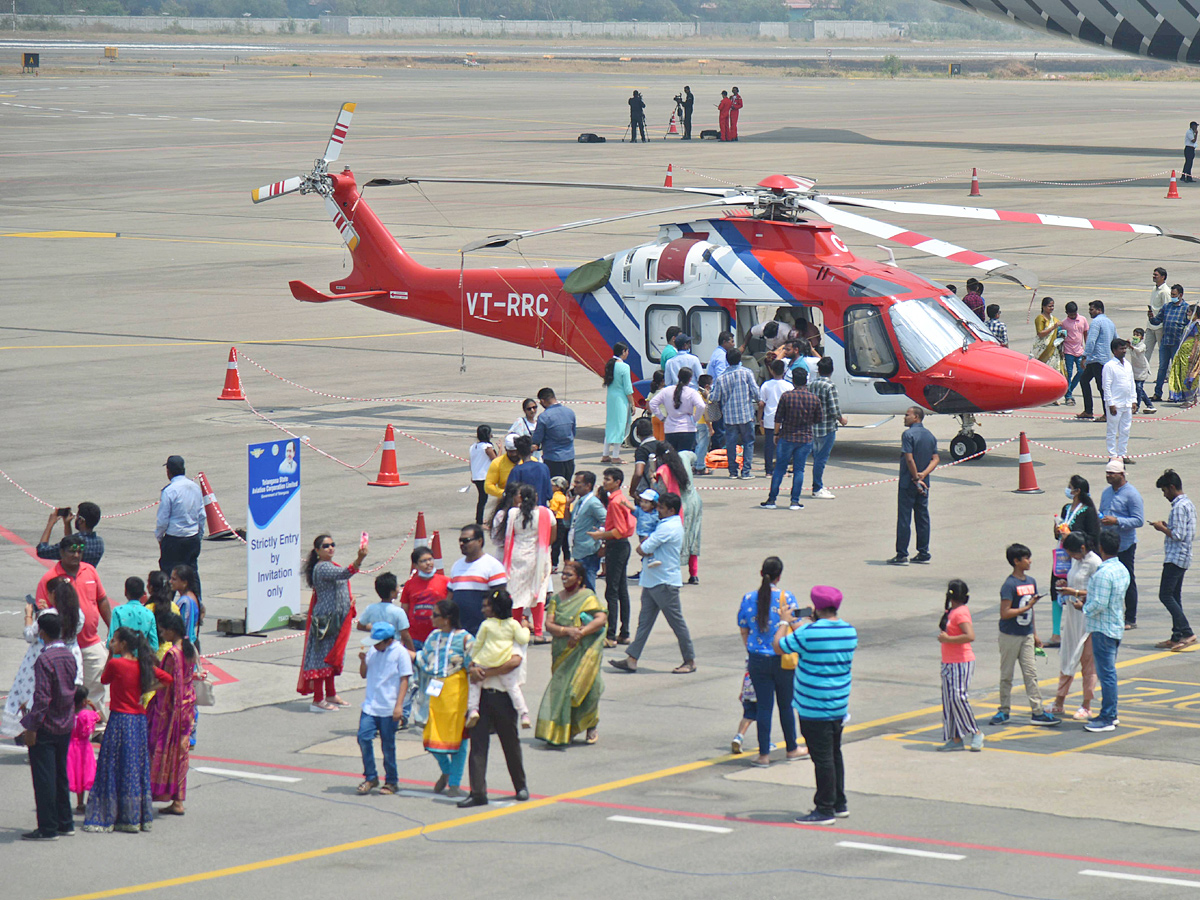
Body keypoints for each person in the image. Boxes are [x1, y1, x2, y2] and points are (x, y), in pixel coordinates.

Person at [773, 585, 857, 825]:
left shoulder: (810, 633)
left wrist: (783, 622)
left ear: (817, 608)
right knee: (834, 753)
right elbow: (815, 640)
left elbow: (779, 646)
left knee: (822, 759)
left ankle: (824, 808)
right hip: (838, 704)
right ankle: (839, 802)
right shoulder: (849, 631)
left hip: (813, 706)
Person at [83, 627, 170, 833]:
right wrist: (148, 688)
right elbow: (167, 679)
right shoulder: (143, 665)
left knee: (113, 765)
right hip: (137, 721)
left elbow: (104, 679)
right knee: (133, 766)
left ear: (122, 644)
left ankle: (110, 813)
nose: (112, 643)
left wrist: (110, 655)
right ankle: (134, 816)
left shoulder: (116, 663)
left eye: (114, 641)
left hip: (119, 720)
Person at [609, 492, 695, 674]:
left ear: (671, 510)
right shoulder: (666, 524)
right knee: (644, 622)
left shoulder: (667, 528)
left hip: (664, 582)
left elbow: (643, 548)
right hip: (653, 580)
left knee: (676, 623)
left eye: (662, 508)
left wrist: (645, 549)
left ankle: (689, 660)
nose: (658, 510)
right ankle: (632, 659)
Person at [737, 557, 806, 766]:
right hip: (782, 659)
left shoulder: (748, 598)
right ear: (779, 576)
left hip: (757, 659)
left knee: (764, 708)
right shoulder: (786, 597)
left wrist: (751, 649)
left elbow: (743, 628)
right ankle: (792, 748)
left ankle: (763, 755)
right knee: (786, 706)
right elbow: (797, 627)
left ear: (761, 574)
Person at [36, 534, 110, 722]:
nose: (76, 555)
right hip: (64, 648)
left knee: (96, 687)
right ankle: (68, 724)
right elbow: (42, 613)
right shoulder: (50, 579)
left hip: (91, 642)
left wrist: (112, 627)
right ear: (61, 552)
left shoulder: (90, 571)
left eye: (79, 551)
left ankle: (95, 725)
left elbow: (102, 600)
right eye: (72, 551)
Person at [16, 611, 77, 841]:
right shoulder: (68, 655)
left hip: (47, 725)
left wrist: (31, 726)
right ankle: (65, 822)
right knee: (60, 774)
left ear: (42, 632)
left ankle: (48, 827)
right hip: (66, 722)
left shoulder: (45, 659)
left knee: (44, 777)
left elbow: (42, 698)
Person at [459, 613, 529, 809]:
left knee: (510, 743)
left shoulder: (513, 636)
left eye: (487, 606)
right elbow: (473, 657)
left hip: (503, 697)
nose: (484, 610)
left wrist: (484, 673)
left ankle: (520, 785)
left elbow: (513, 662)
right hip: (482, 696)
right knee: (478, 745)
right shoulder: (485, 634)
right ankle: (478, 792)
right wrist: (473, 668)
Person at [537, 559, 607, 747]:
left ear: (580, 578)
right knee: (563, 691)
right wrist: (567, 631)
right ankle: (563, 730)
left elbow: (601, 619)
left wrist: (581, 633)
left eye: (569, 575)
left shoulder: (588, 597)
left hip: (584, 651)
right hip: (563, 651)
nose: (564, 578)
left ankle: (590, 724)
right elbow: (549, 624)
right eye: (563, 574)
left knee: (590, 689)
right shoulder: (557, 599)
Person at [989, 543, 1060, 727]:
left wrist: (1035, 634)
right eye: (1026, 558)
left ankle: (1037, 711)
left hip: (1026, 634)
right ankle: (1004, 710)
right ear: (1016, 561)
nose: (1030, 561)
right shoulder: (1009, 585)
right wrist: (1026, 608)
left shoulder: (1031, 582)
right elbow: (1005, 612)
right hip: (1010, 635)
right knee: (1007, 675)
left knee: (1031, 674)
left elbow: (1032, 612)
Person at [298, 533, 367, 712]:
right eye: (326, 546)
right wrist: (359, 559)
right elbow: (346, 573)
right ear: (317, 551)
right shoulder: (323, 568)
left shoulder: (329, 565)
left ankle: (330, 693)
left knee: (331, 657)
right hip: (325, 622)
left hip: (334, 620)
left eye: (332, 544)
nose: (331, 548)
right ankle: (318, 699)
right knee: (323, 658)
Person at [416, 599, 474, 798]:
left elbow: (472, 666)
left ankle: (455, 783)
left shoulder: (466, 639)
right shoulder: (433, 636)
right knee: (431, 739)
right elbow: (423, 660)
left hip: (457, 694)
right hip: (435, 693)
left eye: (435, 615)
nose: (431, 618)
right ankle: (447, 771)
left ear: (447, 619)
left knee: (459, 740)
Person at [147, 612, 198, 815]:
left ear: (172, 630)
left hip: (171, 709)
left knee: (162, 750)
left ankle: (163, 794)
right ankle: (178, 799)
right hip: (188, 706)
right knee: (181, 754)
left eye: (164, 630)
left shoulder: (172, 655)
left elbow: (168, 683)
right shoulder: (189, 649)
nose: (162, 633)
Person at [354, 621, 411, 796]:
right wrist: (363, 662)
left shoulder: (400, 653)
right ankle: (371, 777)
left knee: (388, 745)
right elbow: (364, 674)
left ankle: (392, 781)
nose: (375, 646)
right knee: (363, 737)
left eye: (378, 642)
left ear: (388, 640)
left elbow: (404, 680)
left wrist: (399, 706)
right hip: (371, 706)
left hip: (388, 707)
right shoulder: (373, 651)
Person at [1082, 528, 1130, 733]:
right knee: (1108, 672)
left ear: (1101, 548)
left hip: (1103, 628)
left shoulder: (1104, 573)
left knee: (1107, 673)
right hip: (1115, 625)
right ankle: (1110, 713)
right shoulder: (1121, 569)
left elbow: (1099, 604)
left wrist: (1084, 607)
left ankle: (1109, 715)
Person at [466, 588, 530, 730]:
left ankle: (473, 710)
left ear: (493, 609)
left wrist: (473, 660)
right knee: (513, 688)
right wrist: (526, 628)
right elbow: (523, 639)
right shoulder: (513, 624)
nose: (483, 610)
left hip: (486, 660)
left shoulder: (486, 625)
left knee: (475, 683)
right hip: (503, 660)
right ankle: (524, 713)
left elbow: (478, 644)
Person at [1052, 532, 1100, 720]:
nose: (1071, 558)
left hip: (1087, 618)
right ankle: (1059, 701)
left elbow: (1097, 592)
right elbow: (1074, 581)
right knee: (1067, 656)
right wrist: (1066, 584)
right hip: (1072, 617)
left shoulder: (1095, 563)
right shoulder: (1076, 561)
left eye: (1072, 553)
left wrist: (1075, 591)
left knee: (1088, 663)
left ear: (1081, 548)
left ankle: (1086, 704)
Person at [760, 367, 821, 511]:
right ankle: (794, 501)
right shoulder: (813, 398)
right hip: (805, 438)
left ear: (793, 380)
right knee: (799, 470)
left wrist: (776, 434)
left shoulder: (786, 396)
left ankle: (772, 500)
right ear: (806, 381)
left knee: (780, 469)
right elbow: (818, 419)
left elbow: (778, 417)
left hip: (787, 436)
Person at [1051, 475, 1100, 647]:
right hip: (1062, 555)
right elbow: (1060, 529)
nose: (1068, 490)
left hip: (1077, 556)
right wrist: (1058, 531)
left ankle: (1079, 629)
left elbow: (1093, 536)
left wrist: (1071, 535)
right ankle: (1056, 633)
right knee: (1056, 589)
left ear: (1077, 491)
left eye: (1070, 487)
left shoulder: (1088, 510)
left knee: (1075, 590)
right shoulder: (1066, 509)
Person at [502, 483, 555, 641]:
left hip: (517, 556)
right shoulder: (545, 513)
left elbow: (508, 535)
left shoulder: (513, 513)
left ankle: (515, 629)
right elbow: (553, 535)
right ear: (536, 497)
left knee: (515, 593)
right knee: (537, 593)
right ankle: (538, 632)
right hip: (537, 557)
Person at [1150, 469, 1197, 651]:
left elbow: (1177, 535)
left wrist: (1161, 528)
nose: (1164, 495)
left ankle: (1186, 631)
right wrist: (1167, 527)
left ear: (1172, 487)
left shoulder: (1178, 506)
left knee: (1165, 595)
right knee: (1175, 596)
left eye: (1164, 490)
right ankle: (1177, 635)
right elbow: (1183, 531)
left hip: (1176, 557)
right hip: (1184, 556)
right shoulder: (1188, 504)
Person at [590, 467, 636, 644]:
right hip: (622, 546)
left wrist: (601, 535)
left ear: (617, 482)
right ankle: (624, 632)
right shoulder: (621, 499)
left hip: (616, 546)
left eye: (608, 479)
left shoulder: (615, 502)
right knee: (621, 590)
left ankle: (611, 635)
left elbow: (619, 531)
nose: (604, 482)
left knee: (612, 591)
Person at [889, 406, 939, 565]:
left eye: (907, 415)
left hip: (908, 482)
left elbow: (909, 459)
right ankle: (923, 552)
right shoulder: (930, 435)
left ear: (916, 417)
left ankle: (902, 554)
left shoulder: (908, 434)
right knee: (922, 516)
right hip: (924, 484)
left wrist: (916, 477)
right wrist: (924, 474)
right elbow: (936, 459)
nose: (904, 418)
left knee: (904, 519)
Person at [937, 579, 982, 752]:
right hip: (948, 661)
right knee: (949, 701)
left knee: (958, 697)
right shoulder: (952, 611)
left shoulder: (961, 613)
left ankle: (975, 731)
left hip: (961, 661)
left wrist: (948, 639)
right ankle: (955, 738)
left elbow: (970, 636)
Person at [1099, 458, 1144, 630]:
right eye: (1107, 473)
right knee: (1108, 580)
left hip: (1125, 543)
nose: (1108, 476)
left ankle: (1130, 618)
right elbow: (1102, 511)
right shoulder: (1106, 492)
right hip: (1107, 543)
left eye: (1112, 473)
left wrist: (1117, 520)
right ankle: (1110, 613)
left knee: (1127, 580)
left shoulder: (1132, 494)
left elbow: (1138, 520)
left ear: (1121, 474)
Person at [155, 455, 204, 607]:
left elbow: (163, 519)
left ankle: (165, 608)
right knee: (192, 574)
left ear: (169, 472)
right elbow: (202, 515)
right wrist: (199, 534)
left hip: (174, 539)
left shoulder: (170, 491)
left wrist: (160, 537)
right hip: (192, 537)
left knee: (169, 575)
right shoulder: (195, 487)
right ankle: (196, 606)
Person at [710, 349, 761, 479]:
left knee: (731, 444)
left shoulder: (721, 377)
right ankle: (746, 472)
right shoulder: (747, 373)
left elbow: (715, 398)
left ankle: (733, 472)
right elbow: (756, 391)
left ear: (727, 360)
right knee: (748, 442)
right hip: (746, 414)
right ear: (740, 359)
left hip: (729, 417)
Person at [449, 524, 508, 636]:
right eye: (460, 541)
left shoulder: (493, 566)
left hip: (484, 631)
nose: (462, 544)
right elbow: (450, 596)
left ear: (480, 541)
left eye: (466, 540)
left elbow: (501, 600)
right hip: (459, 632)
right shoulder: (456, 566)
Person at [809, 357, 848, 500]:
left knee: (816, 457)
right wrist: (841, 419)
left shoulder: (811, 384)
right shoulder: (830, 386)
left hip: (813, 427)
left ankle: (817, 485)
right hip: (827, 427)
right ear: (831, 370)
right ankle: (817, 488)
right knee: (821, 459)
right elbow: (834, 408)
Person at [400, 547, 449, 649]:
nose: (428, 563)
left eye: (430, 559)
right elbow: (404, 611)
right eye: (423, 561)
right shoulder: (409, 585)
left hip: (439, 636)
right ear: (415, 565)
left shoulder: (446, 582)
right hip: (415, 638)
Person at [650, 365, 705, 454]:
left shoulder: (667, 390)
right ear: (690, 379)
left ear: (678, 377)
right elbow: (701, 406)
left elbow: (652, 403)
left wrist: (662, 417)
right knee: (685, 458)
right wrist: (695, 419)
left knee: (672, 458)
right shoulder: (692, 392)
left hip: (670, 429)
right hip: (687, 429)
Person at [1148, 281, 1189, 402]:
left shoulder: (1186, 308)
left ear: (1180, 295)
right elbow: (1157, 321)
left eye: (1174, 294)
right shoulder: (1167, 307)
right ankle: (1157, 393)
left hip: (1177, 344)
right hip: (1166, 342)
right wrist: (1151, 317)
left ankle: (1177, 393)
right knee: (1162, 369)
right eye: (1171, 294)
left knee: (1177, 370)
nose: (1172, 296)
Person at [1077, 300, 1115, 420]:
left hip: (1096, 359)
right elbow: (1115, 339)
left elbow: (1091, 340)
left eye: (1092, 310)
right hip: (1104, 359)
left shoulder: (1096, 322)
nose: (1090, 312)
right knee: (1084, 380)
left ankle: (1106, 413)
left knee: (1101, 386)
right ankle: (1088, 411)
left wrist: (1084, 356)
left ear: (1099, 310)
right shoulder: (1110, 322)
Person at [357, 572, 414, 651]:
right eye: (397, 587)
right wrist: (413, 652)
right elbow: (405, 636)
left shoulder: (371, 608)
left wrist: (377, 629)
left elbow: (360, 626)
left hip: (376, 648)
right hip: (394, 648)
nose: (399, 589)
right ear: (392, 593)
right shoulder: (399, 612)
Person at [37, 502, 104, 567]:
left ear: (80, 520)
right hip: (88, 577)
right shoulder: (99, 542)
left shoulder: (78, 542)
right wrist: (67, 524)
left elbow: (42, 551)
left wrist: (50, 523)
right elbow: (71, 543)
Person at [532, 387, 577, 484]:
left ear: (543, 401)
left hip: (553, 459)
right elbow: (573, 433)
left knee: (554, 491)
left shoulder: (544, 417)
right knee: (565, 487)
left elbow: (537, 439)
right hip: (569, 457)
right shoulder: (570, 412)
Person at [570, 471, 605, 590]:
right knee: (580, 587)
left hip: (588, 552)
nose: (574, 485)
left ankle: (591, 608)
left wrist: (603, 541)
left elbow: (609, 521)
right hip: (578, 549)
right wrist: (566, 505)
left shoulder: (593, 503)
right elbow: (567, 523)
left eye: (578, 483)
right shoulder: (579, 502)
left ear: (588, 486)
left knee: (588, 587)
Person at [1102, 338, 1135, 461]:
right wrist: (1110, 404)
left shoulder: (1127, 365)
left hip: (1127, 403)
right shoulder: (1109, 366)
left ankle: (1122, 454)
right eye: (1121, 349)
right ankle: (1112, 455)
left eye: (1125, 348)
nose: (1124, 351)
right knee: (1112, 430)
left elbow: (1131, 383)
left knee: (1125, 430)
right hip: (1115, 403)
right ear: (1114, 351)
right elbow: (1106, 386)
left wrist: (1134, 400)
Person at [675, 449, 705, 586]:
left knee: (677, 541)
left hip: (680, 504)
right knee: (693, 537)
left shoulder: (669, 469)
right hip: (695, 502)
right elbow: (694, 455)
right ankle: (694, 574)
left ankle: (675, 573)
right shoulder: (685, 456)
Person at [68, 686, 99, 813]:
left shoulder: (67, 713)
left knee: (73, 774)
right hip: (84, 748)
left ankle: (75, 802)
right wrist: (94, 707)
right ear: (84, 701)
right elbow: (98, 717)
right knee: (85, 774)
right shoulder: (86, 715)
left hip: (70, 747)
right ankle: (83, 803)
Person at [602, 343, 634, 464]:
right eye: (627, 351)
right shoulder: (624, 367)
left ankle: (605, 454)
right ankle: (615, 456)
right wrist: (632, 403)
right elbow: (628, 388)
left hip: (611, 398)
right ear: (623, 351)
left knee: (610, 425)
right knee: (620, 426)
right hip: (621, 399)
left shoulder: (610, 365)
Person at [110, 576, 159, 652]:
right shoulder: (149, 614)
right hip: (141, 660)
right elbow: (154, 645)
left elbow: (111, 640)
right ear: (143, 593)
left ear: (125, 592)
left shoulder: (118, 611)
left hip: (121, 660)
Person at [759, 359, 788, 478]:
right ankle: (782, 469)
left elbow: (761, 404)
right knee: (783, 447)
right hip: (784, 420)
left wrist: (759, 418)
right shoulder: (788, 386)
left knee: (769, 446)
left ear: (771, 370)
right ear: (784, 371)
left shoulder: (766, 385)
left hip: (770, 419)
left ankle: (768, 471)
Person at [1167, 306, 1200, 406]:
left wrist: (1193, 353)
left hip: (1189, 353)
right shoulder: (1190, 323)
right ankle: (1192, 398)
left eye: (1190, 312)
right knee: (1182, 373)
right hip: (1183, 352)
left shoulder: (1197, 324)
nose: (1188, 314)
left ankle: (1189, 399)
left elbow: (1197, 340)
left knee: (1187, 374)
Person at [507, 434, 552, 507]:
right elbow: (549, 494)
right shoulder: (544, 467)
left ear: (518, 452)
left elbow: (510, 494)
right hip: (541, 510)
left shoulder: (517, 470)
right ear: (531, 450)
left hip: (523, 511)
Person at [1031, 296, 1065, 387]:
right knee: (1042, 372)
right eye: (1050, 306)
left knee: (1054, 372)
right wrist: (1053, 327)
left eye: (1053, 306)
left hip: (1053, 350)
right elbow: (1040, 333)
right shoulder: (1040, 318)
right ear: (1043, 307)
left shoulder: (1054, 319)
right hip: (1042, 350)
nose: (1052, 308)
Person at [1144, 266, 1170, 384]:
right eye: (1154, 274)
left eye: (1156, 275)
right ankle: (1142, 372)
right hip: (1151, 325)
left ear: (1163, 277)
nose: (1154, 276)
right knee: (1146, 349)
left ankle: (1167, 375)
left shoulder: (1165, 291)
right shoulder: (1154, 289)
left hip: (1160, 326)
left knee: (1163, 352)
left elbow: (1167, 309)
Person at [469, 424, 498, 525]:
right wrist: (500, 448)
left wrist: (472, 475)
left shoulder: (473, 447)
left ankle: (479, 519)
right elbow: (496, 460)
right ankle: (479, 521)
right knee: (483, 498)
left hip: (476, 476)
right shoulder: (487, 447)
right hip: (484, 476)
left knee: (482, 498)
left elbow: (471, 462)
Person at [1061, 300, 1088, 405]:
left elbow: (1086, 333)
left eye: (1074, 314)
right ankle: (1068, 396)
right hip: (1068, 351)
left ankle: (1069, 390)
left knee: (1081, 371)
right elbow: (1061, 338)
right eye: (1070, 314)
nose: (1073, 316)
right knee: (1069, 373)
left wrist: (1087, 350)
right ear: (1066, 313)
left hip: (1080, 350)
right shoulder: (1064, 323)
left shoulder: (1082, 320)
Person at [484, 434, 521, 510]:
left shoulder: (532, 462)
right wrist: (504, 494)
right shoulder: (497, 463)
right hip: (506, 504)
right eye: (511, 452)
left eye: (516, 451)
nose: (514, 454)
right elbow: (488, 486)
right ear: (505, 449)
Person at [169, 564, 201, 649]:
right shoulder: (189, 597)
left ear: (184, 583)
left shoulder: (186, 602)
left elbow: (185, 628)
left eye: (174, 579)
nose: (170, 582)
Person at [1128, 328, 1156, 414]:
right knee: (1139, 389)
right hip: (1134, 369)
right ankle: (1150, 405)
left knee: (1139, 388)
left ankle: (1137, 407)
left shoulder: (1142, 345)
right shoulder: (1132, 344)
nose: (1135, 337)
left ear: (1142, 337)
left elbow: (1138, 350)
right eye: (1134, 335)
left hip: (1142, 369)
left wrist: (1131, 347)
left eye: (1138, 335)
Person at [550, 475, 571, 571]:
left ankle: (554, 564)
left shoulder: (555, 496)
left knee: (556, 544)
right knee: (565, 544)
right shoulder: (565, 497)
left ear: (558, 487)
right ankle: (567, 562)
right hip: (566, 521)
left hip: (558, 521)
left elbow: (553, 510)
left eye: (552, 485)